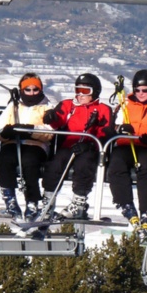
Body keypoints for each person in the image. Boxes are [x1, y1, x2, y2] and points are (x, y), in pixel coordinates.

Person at [40, 73, 113, 219]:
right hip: (68, 145)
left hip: (89, 148)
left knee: (84, 165)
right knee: (55, 165)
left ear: (95, 92)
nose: (80, 94)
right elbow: (59, 118)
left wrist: (91, 144)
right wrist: (51, 117)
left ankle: (78, 203)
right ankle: (48, 202)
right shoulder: (68, 105)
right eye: (77, 90)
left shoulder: (102, 109)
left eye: (85, 91)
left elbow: (105, 132)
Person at [107, 69, 147, 238]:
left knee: (146, 166)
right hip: (127, 144)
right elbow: (113, 126)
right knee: (117, 162)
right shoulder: (125, 104)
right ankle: (125, 203)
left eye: (145, 90)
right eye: (137, 90)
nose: (141, 94)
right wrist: (120, 129)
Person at [0, 72, 53, 221]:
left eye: (35, 90)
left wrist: (31, 130)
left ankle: (32, 201)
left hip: (36, 144)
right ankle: (10, 199)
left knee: (29, 162)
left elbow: (51, 131)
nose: (32, 93)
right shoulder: (13, 107)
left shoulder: (47, 107)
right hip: (13, 142)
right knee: (5, 160)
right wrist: (6, 133)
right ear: (22, 90)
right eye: (28, 90)